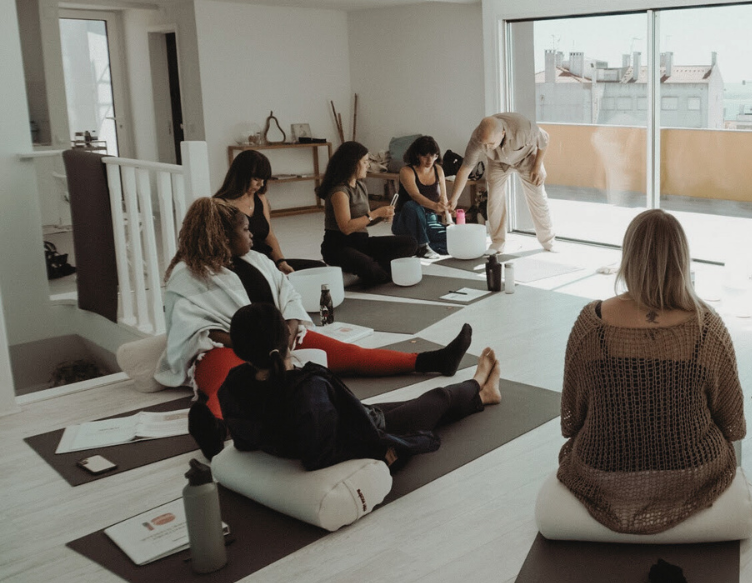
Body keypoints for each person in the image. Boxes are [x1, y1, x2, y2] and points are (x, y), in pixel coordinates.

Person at [158, 197, 473, 432]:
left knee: (351, 354)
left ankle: (432, 360)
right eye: (244, 230)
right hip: (224, 350)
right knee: (225, 382)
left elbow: (288, 293)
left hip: (279, 341)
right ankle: (214, 429)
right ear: (222, 237)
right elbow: (194, 327)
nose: (252, 234)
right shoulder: (187, 275)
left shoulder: (257, 260)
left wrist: (291, 324)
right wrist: (248, 343)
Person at [557, 209, 746, 534]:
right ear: (682, 261)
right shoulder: (707, 327)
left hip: (600, 469)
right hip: (692, 472)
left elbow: (572, 418)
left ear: (628, 257)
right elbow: (732, 422)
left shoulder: (593, 322)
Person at [219, 303, 501, 471]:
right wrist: (381, 449)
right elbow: (324, 452)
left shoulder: (234, 383)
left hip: (353, 419)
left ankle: (482, 397)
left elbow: (244, 436)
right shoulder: (307, 390)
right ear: (287, 338)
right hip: (365, 431)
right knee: (439, 398)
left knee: (409, 405)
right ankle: (478, 383)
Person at [447, 113, 555, 255]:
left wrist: (537, 166)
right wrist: (454, 199)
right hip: (497, 162)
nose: (487, 147)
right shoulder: (477, 139)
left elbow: (544, 139)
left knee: (537, 197)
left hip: (526, 157)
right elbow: (465, 169)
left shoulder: (522, 129)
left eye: (491, 144)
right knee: (494, 200)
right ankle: (497, 243)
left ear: (502, 133)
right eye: (484, 144)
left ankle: (548, 241)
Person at [317, 141, 417, 287]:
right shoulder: (339, 191)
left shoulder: (360, 186)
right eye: (365, 162)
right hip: (338, 247)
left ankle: (367, 269)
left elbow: (365, 218)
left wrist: (382, 215)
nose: (368, 165)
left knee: (411, 243)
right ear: (352, 164)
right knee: (372, 269)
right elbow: (346, 227)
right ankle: (371, 269)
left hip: (361, 243)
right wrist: (376, 214)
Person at [214, 150, 324, 273]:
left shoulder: (260, 198)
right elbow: (219, 247)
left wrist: (281, 262)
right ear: (241, 176)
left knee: (318, 267)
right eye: (256, 179)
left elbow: (269, 235)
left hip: (267, 261)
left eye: (264, 180)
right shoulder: (220, 204)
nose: (261, 184)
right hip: (244, 265)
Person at [392, 136, 450, 259]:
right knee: (412, 205)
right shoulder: (406, 171)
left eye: (433, 156)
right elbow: (415, 195)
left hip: (429, 220)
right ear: (417, 155)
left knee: (454, 239)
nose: (430, 160)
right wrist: (435, 205)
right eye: (425, 156)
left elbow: (443, 197)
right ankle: (423, 246)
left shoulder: (438, 169)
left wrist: (447, 211)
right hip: (407, 221)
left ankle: (417, 246)